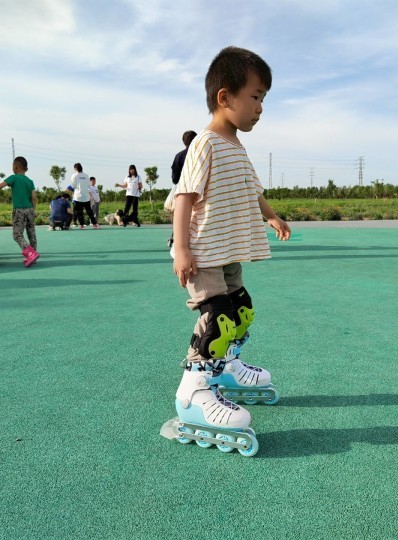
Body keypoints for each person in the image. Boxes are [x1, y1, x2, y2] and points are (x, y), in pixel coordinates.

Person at [163, 46, 291, 457]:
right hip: (201, 252)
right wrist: (182, 248)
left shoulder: (236, 146)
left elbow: (254, 192)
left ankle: (228, 369)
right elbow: (184, 196)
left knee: (241, 310)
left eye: (263, 99)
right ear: (225, 97)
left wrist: (271, 216)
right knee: (217, 318)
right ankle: (192, 394)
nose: (260, 107)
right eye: (255, 97)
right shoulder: (206, 144)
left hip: (227, 249)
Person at [0, 156, 40, 267]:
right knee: (31, 234)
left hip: (19, 211)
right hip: (30, 210)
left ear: (16, 167)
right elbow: (34, 197)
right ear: (26, 169)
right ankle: (33, 256)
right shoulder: (30, 181)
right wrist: (33, 210)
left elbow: (0, 186)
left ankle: (31, 254)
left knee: (17, 234)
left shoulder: (13, 178)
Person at [167, 130, 198, 247]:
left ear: (184, 142)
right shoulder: (201, 155)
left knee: (181, 217)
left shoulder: (179, 156)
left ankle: (176, 240)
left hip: (183, 191)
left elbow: (174, 179)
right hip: (200, 191)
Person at [71, 163, 98, 229]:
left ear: (75, 168)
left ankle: (82, 225)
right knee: (89, 211)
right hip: (86, 197)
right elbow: (89, 186)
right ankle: (95, 225)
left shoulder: (74, 175)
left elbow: (73, 186)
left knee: (79, 212)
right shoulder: (86, 175)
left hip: (78, 197)